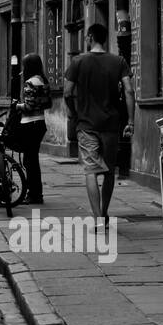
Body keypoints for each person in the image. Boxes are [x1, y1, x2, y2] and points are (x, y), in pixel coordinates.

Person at [64, 23, 134, 227]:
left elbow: (67, 91)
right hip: (111, 124)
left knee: (91, 171)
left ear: (90, 37)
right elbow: (129, 91)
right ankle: (104, 211)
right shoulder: (118, 61)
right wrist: (130, 120)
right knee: (110, 171)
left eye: (87, 37)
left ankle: (97, 219)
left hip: (86, 124)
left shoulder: (78, 61)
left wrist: (73, 112)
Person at [14, 53, 52, 204]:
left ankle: (34, 194)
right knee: (32, 159)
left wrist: (17, 106)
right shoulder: (43, 81)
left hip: (30, 123)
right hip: (40, 122)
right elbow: (48, 104)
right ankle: (36, 193)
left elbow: (28, 106)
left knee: (29, 161)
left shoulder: (30, 82)